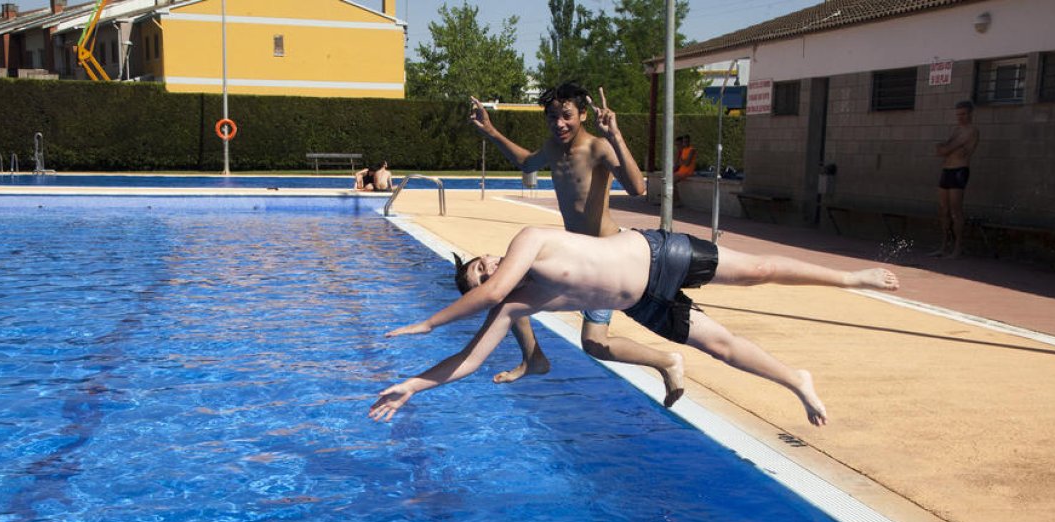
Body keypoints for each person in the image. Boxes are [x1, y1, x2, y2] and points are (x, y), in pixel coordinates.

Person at [370, 226, 900, 427]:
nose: (486, 271)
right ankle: (797, 380)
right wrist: (412, 386)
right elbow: (470, 359)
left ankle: (851, 279)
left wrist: (427, 323)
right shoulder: (517, 303)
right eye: (481, 276)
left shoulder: (527, 239)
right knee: (721, 347)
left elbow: (485, 292)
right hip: (642, 301)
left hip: (657, 254)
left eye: (480, 265)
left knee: (758, 271)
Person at [468, 82, 649, 385]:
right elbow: (526, 163)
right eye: (552, 117)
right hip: (572, 252)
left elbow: (637, 188)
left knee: (594, 343)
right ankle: (533, 358)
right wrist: (491, 131)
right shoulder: (553, 148)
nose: (559, 124)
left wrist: (615, 136)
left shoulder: (597, 148)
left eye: (567, 115)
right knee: (506, 291)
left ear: (583, 115)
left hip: (604, 258)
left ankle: (666, 362)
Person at [932, 101, 979, 258]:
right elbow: (942, 149)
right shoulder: (957, 129)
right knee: (943, 210)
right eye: (958, 114)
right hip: (947, 170)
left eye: (963, 114)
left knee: (955, 210)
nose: (960, 117)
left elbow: (951, 148)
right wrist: (947, 148)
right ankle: (944, 245)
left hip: (959, 171)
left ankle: (957, 248)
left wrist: (947, 148)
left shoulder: (972, 131)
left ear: (970, 114)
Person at [673, 135, 697, 207]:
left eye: (686, 141)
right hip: (681, 171)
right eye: (683, 142)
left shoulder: (692, 150)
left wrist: (682, 161)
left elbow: (687, 163)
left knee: (671, 182)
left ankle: (677, 201)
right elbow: (678, 162)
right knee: (666, 180)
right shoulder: (683, 150)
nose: (685, 143)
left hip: (687, 172)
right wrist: (683, 161)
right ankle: (669, 200)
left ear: (689, 141)